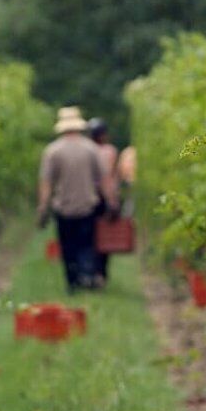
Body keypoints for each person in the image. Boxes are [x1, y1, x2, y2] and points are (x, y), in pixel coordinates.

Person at [37, 107, 107, 291]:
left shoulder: (52, 151)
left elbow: (46, 182)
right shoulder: (91, 149)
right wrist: (111, 200)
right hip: (87, 205)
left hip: (64, 207)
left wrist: (43, 208)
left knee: (68, 247)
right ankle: (87, 274)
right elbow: (102, 179)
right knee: (86, 244)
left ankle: (73, 280)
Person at [87, 117, 121, 285]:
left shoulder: (86, 150)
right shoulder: (110, 151)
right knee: (105, 235)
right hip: (105, 196)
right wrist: (114, 199)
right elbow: (112, 177)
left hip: (90, 197)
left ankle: (92, 270)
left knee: (90, 235)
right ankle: (101, 271)